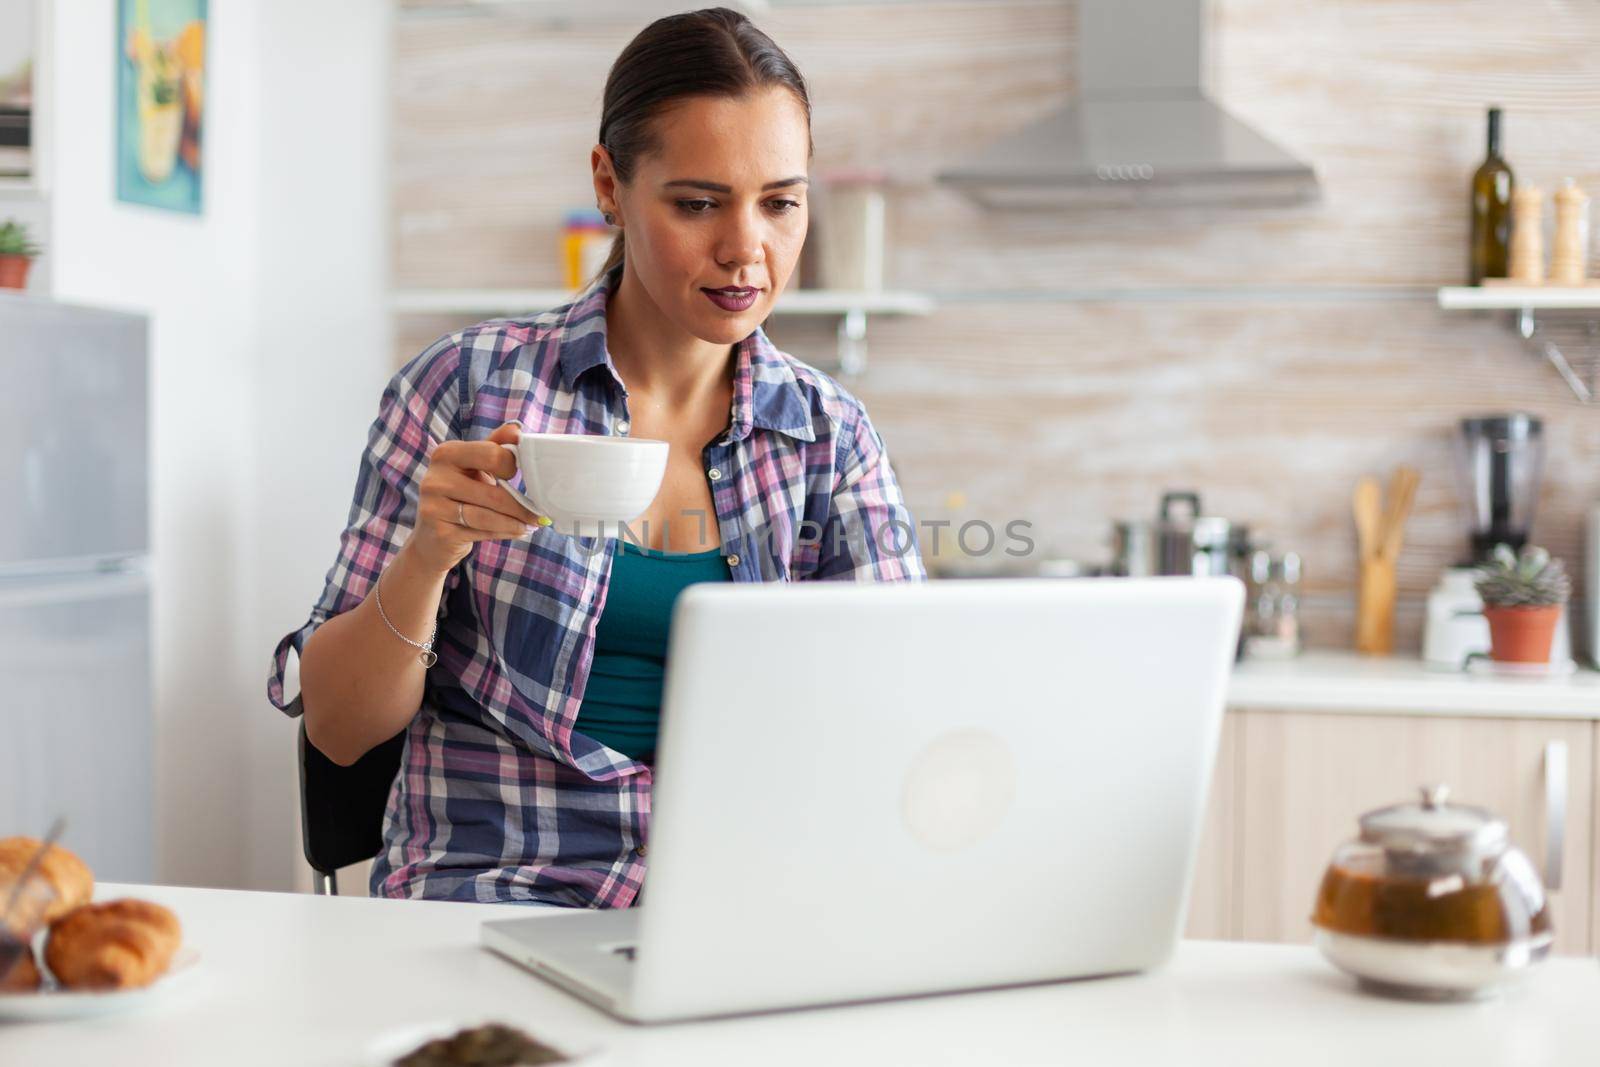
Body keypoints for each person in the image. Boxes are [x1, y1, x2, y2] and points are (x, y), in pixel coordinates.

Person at [267, 7, 924, 906]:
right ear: (610, 185)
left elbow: (901, 711)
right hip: (495, 892)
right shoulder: (463, 388)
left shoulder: (832, 436)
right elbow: (341, 730)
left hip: (749, 897)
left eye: (780, 202)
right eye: (697, 203)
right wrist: (427, 557)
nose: (747, 249)